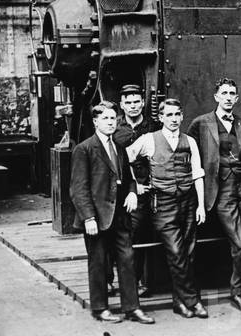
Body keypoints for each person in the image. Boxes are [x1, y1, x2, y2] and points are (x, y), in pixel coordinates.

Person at [187, 78, 241, 313]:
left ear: (236, 98)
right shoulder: (200, 124)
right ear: (216, 97)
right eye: (223, 93)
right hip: (219, 190)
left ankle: (237, 292)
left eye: (232, 93)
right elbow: (189, 152)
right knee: (239, 241)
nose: (227, 97)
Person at [69, 101, 155, 325]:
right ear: (95, 121)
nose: (110, 122)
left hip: (120, 216)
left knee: (127, 260)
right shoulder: (84, 149)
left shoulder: (119, 147)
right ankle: (100, 308)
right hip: (96, 217)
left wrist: (133, 193)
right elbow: (78, 188)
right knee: (98, 262)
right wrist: (88, 217)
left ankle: (132, 308)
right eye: (105, 118)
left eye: (113, 118)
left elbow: (128, 178)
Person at [126, 99, 207, 319]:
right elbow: (127, 157)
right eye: (168, 115)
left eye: (177, 115)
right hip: (163, 204)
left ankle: (179, 303)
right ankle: (192, 300)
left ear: (182, 117)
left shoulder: (189, 141)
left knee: (189, 253)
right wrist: (136, 185)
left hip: (188, 202)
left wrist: (200, 205)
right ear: (161, 118)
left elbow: (198, 173)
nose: (173, 119)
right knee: (176, 252)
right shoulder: (149, 140)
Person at [110, 84, 156, 297]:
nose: (133, 106)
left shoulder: (154, 127)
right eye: (128, 102)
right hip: (121, 192)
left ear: (143, 102)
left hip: (146, 191)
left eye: (137, 101)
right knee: (115, 235)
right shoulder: (114, 129)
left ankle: (135, 281)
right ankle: (110, 280)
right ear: (121, 105)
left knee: (138, 236)